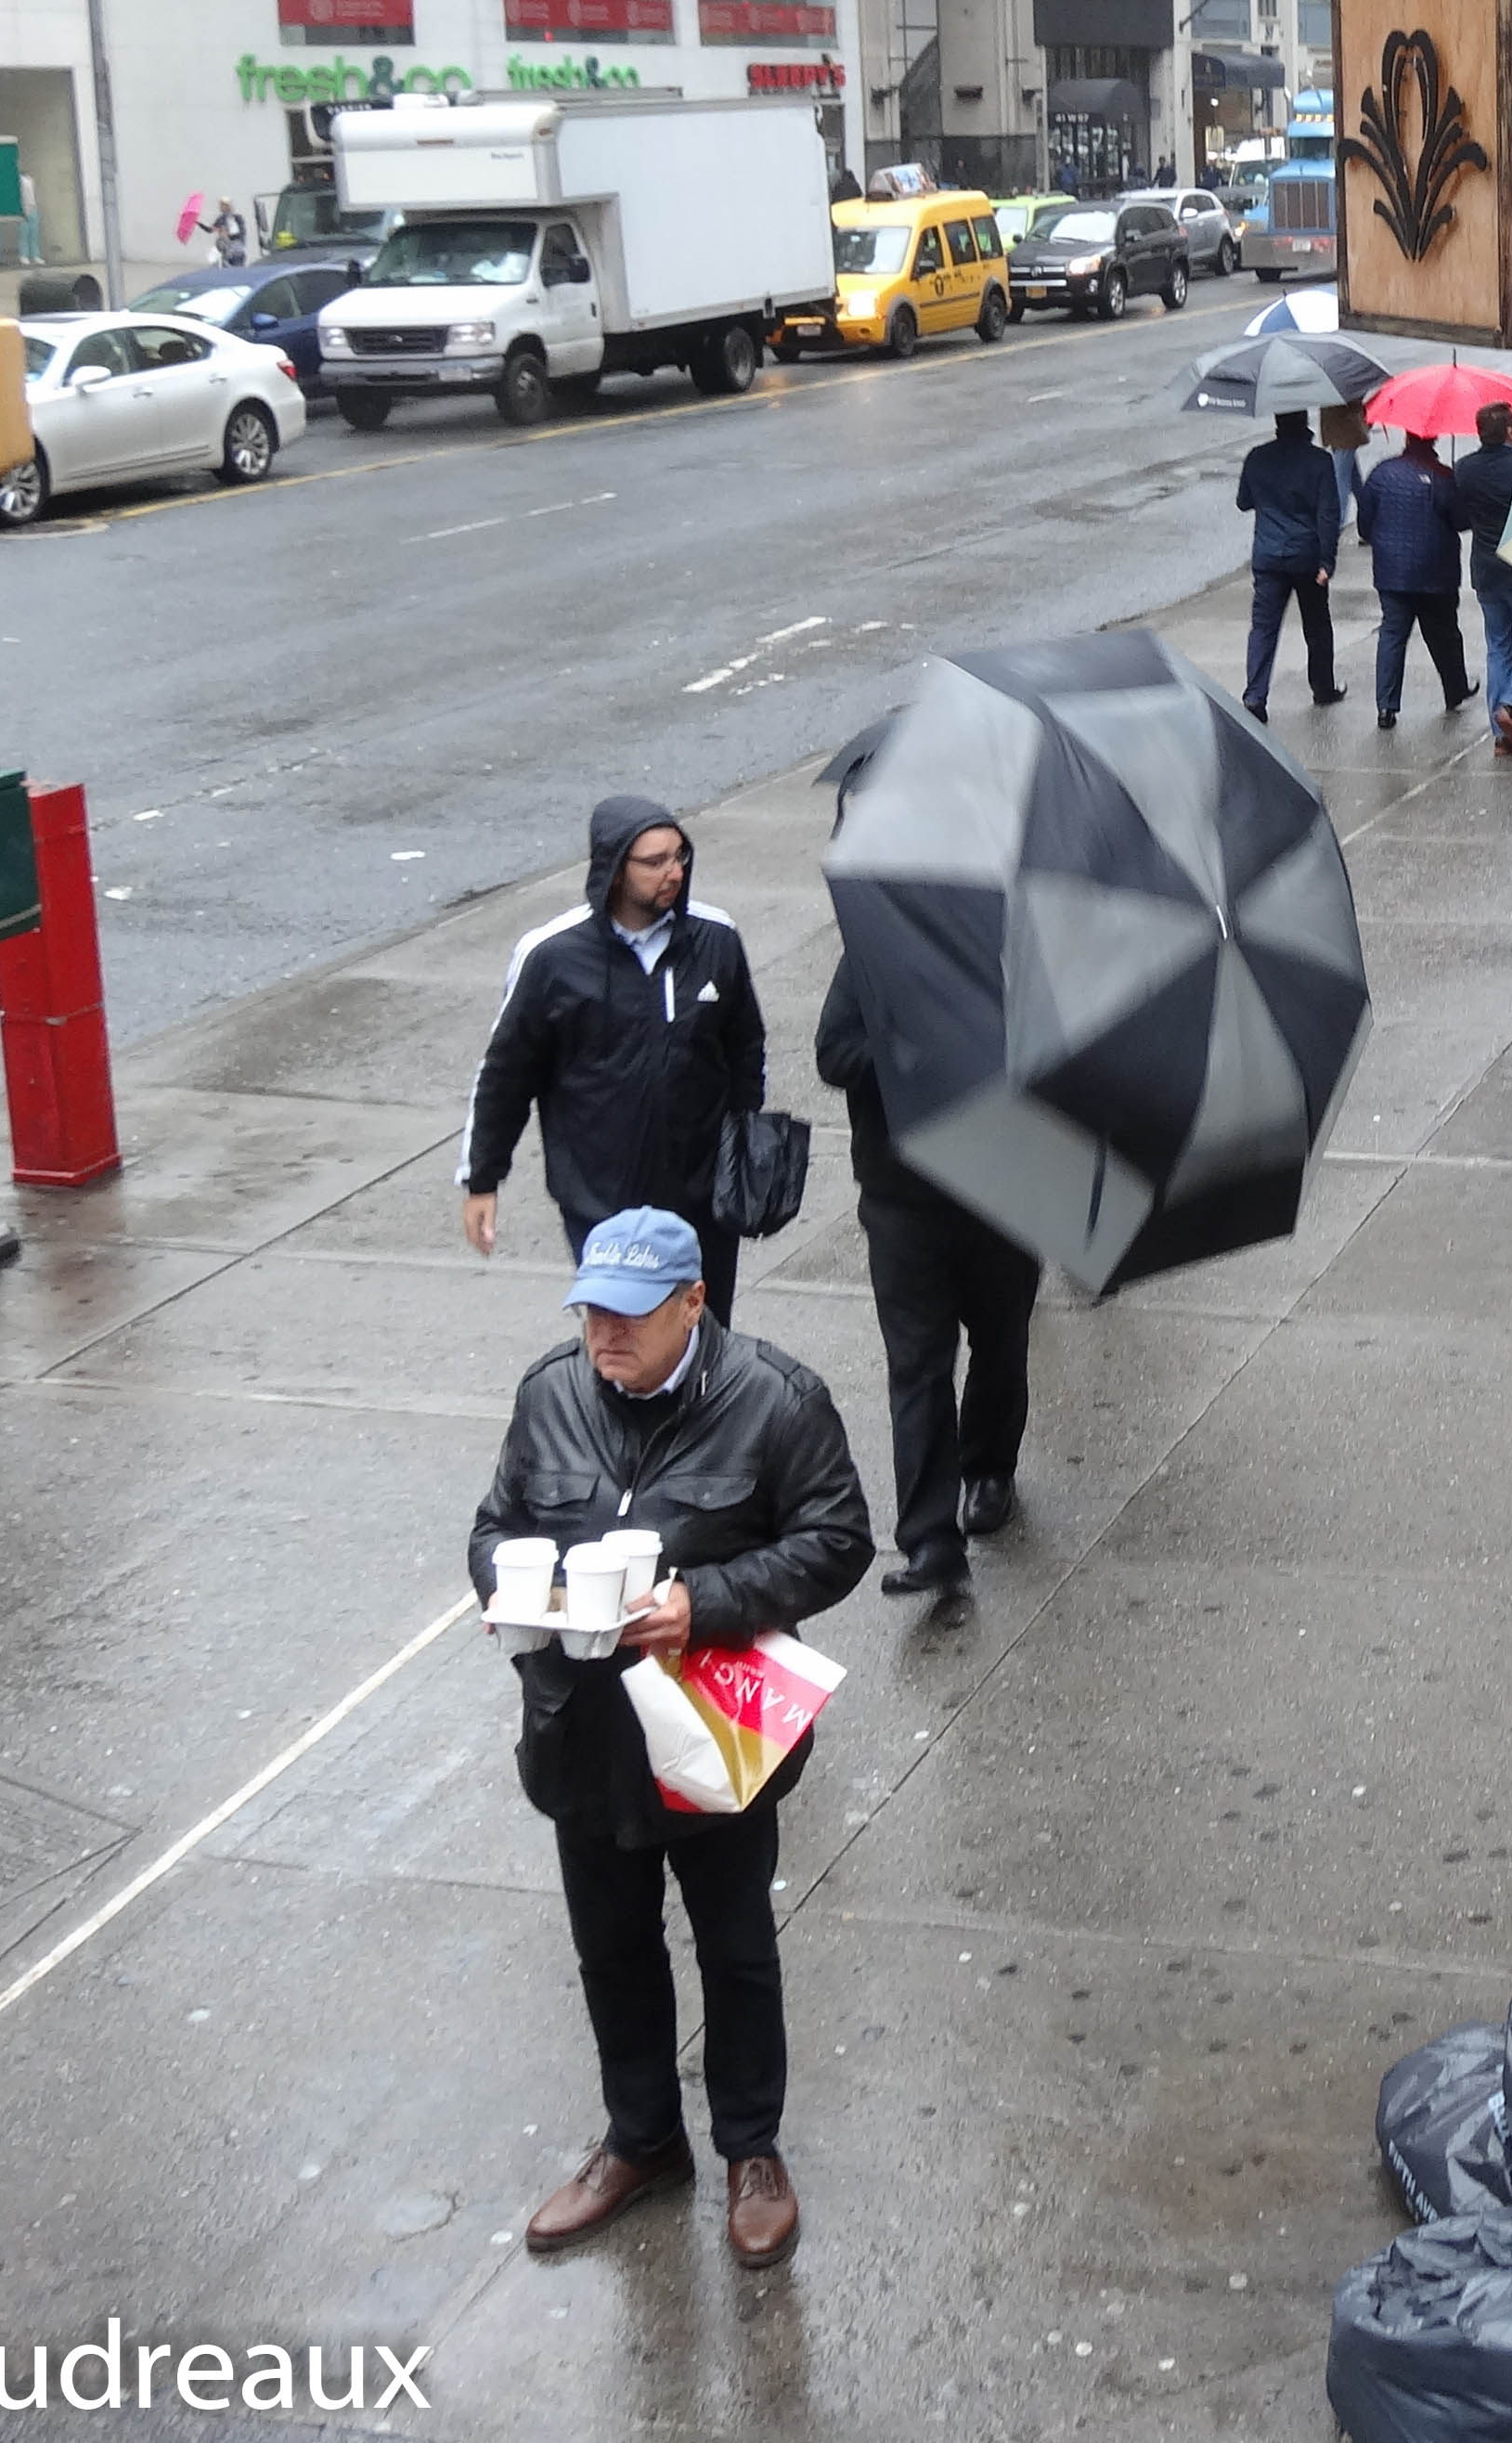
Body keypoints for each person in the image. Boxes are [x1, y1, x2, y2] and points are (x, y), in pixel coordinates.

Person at [470, 1207, 872, 2269]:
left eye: (631, 1315)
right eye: (593, 1310)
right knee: (611, 1950)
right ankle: (640, 2138)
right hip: (580, 1729)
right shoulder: (550, 1393)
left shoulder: (778, 1402)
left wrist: (711, 1600)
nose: (607, 1333)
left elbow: (838, 1542)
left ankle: (752, 2150)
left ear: (694, 1302)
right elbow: (494, 1526)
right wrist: (516, 1595)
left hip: (712, 1730)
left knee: (735, 1946)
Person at [465, 797, 769, 1323]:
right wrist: (482, 1179)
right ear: (612, 867)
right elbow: (506, 1075)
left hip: (701, 1200)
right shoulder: (551, 956)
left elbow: (747, 1049)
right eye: (654, 862)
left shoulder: (716, 939)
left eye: (680, 857)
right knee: (624, 1343)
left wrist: (743, 1150)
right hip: (599, 1202)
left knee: (705, 1337)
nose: (673, 873)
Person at [817, 949, 1041, 1603]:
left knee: (1002, 1341)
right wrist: (917, 1053)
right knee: (917, 1366)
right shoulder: (871, 955)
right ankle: (931, 1541)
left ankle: (989, 1467)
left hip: (1003, 1194)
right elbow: (835, 1053)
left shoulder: (1016, 951)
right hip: (902, 1201)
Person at [1449, 400, 1512, 755]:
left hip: (1486, 571)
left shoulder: (1463, 469)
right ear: (1511, 431)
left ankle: (1501, 733)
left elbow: (1459, 517)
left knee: (1498, 646)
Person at [1234, 408, 1351, 718]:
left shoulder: (1257, 457)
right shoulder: (1319, 461)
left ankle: (1255, 695)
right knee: (1316, 625)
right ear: (1305, 425)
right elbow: (1328, 515)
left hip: (1268, 555)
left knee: (1263, 628)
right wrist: (1328, 561)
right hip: (1307, 556)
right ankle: (1322, 687)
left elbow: (1243, 501)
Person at [1358, 429, 1475, 727]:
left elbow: (1364, 523)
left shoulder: (1382, 473)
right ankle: (1455, 689)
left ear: (1407, 439)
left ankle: (1386, 706)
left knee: (1392, 636)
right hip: (1436, 572)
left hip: (1392, 572)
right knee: (1445, 634)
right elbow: (1462, 521)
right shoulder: (1442, 476)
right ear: (1434, 440)